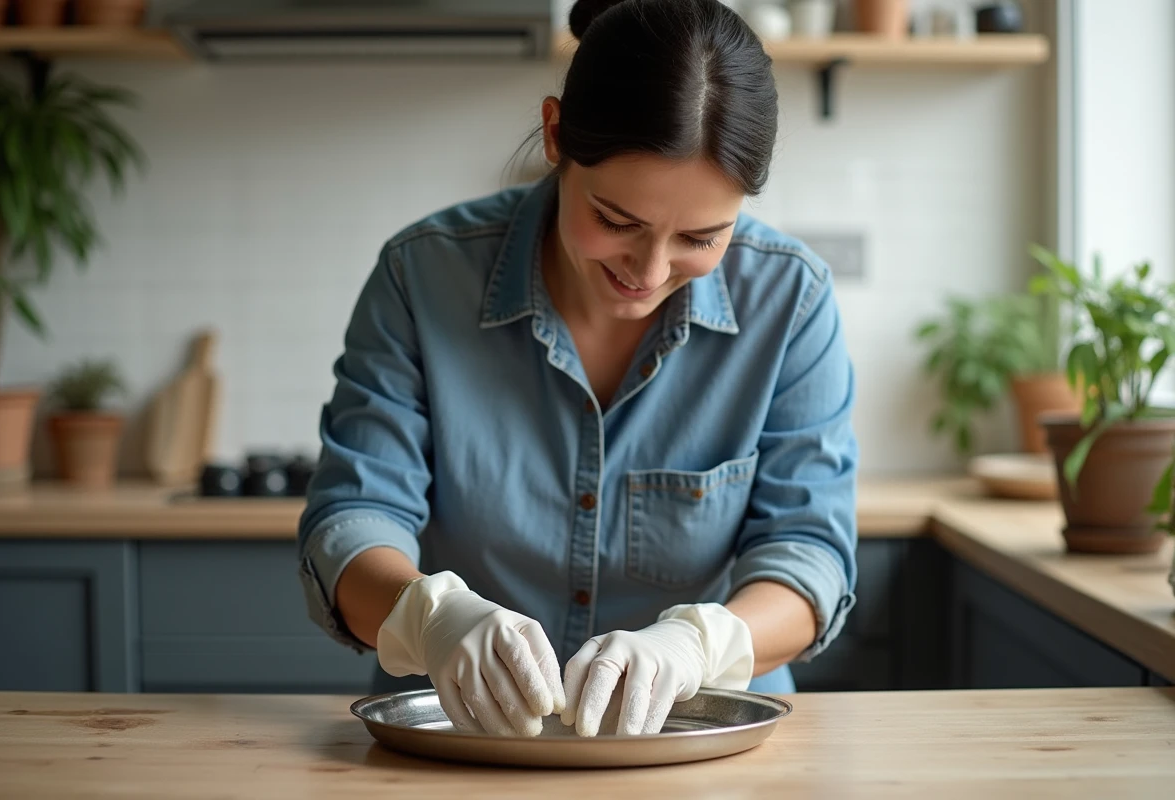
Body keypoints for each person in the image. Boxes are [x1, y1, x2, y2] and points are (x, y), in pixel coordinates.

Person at [297, 0, 858, 739]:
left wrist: (699, 645)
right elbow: (351, 520)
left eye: (700, 236)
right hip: (468, 743)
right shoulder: (422, 277)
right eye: (618, 221)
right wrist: (432, 617)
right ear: (557, 134)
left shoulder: (792, 299)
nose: (650, 271)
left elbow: (811, 555)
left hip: (705, 745)